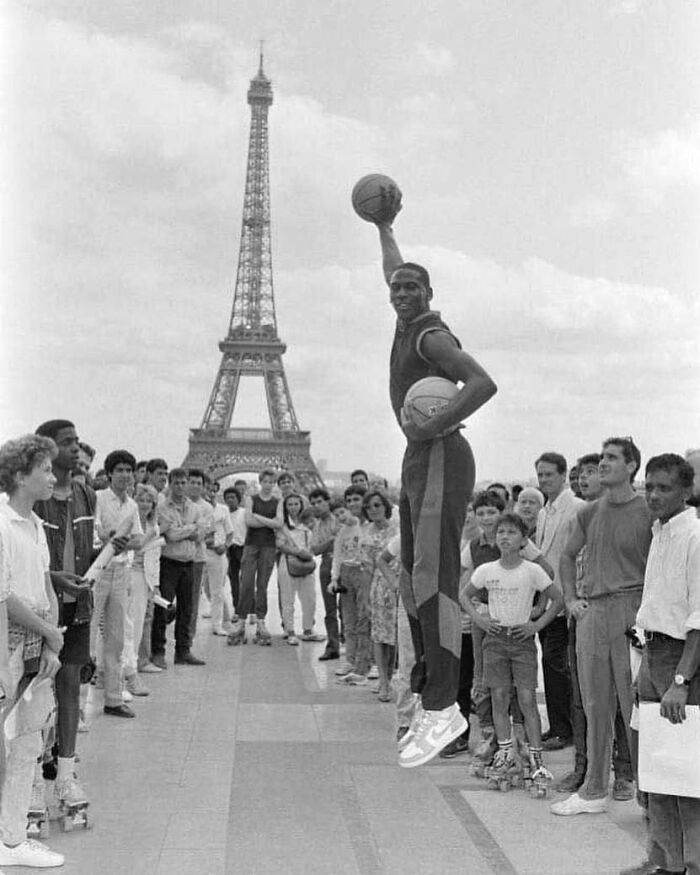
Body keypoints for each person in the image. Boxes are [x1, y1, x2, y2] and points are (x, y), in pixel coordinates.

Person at [375, 205, 497, 768]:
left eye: (411, 287)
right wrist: (384, 229)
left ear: (429, 292)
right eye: (397, 286)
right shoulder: (405, 319)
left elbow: (483, 382)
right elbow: (394, 270)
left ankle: (446, 706)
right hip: (419, 456)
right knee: (410, 575)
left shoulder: (430, 336)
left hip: (441, 451)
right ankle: (431, 688)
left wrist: (434, 423)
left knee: (437, 576)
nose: (401, 291)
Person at [552, 437, 652, 816]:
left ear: (631, 466)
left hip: (633, 612)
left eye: (612, 458)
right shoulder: (590, 512)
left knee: (636, 710)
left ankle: (650, 795)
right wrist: (572, 598)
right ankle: (593, 790)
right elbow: (566, 555)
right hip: (593, 611)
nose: (603, 463)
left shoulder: (647, 510)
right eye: (602, 457)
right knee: (594, 706)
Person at [621, 454, 700, 875]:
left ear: (686, 491)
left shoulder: (695, 536)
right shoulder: (660, 532)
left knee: (686, 772)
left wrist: (682, 680)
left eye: (664, 488)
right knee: (657, 769)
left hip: (682, 660)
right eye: (649, 486)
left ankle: (694, 862)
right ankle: (664, 861)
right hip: (651, 653)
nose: (653, 495)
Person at [0, 434, 65, 868]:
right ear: (21, 476)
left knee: (28, 740)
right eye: (44, 469)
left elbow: (43, 584)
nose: (53, 477)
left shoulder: (36, 525)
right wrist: (48, 631)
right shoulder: (3, 526)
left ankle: (11, 836)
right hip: (9, 641)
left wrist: (50, 637)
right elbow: (5, 597)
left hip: (35, 639)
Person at [463, 512, 564, 790]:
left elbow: (557, 598)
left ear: (523, 540)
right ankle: (505, 753)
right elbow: (464, 595)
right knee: (498, 697)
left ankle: (535, 759)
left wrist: (537, 624)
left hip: (522, 641)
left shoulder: (532, 571)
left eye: (511, 532)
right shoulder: (487, 571)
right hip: (495, 641)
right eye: (501, 533)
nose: (505, 537)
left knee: (527, 698)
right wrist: (480, 619)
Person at [33, 419, 96, 813]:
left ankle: (67, 775)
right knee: (38, 692)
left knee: (70, 688)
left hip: (78, 604)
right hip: (42, 606)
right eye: (67, 442)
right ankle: (38, 775)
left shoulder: (86, 494)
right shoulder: (35, 497)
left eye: (77, 441)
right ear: (49, 451)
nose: (76, 448)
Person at [534, 451, 585, 751]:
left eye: (549, 475)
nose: (544, 480)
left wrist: (572, 594)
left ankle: (564, 729)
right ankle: (558, 726)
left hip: (566, 599)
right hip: (547, 599)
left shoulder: (577, 508)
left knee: (558, 663)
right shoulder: (544, 512)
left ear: (564, 475)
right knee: (551, 663)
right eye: (540, 475)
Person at [92, 450, 144, 717]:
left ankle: (113, 698)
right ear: (109, 473)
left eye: (128, 470)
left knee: (116, 636)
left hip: (121, 570)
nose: (125, 475)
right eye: (120, 470)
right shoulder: (98, 498)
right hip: (99, 569)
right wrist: (113, 538)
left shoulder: (133, 505)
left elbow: (138, 539)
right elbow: (96, 531)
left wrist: (118, 540)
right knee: (89, 635)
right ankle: (80, 703)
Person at [152, 468, 206, 668]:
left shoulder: (196, 508)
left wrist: (183, 530)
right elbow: (170, 536)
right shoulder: (162, 507)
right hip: (169, 563)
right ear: (170, 483)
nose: (181, 486)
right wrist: (191, 528)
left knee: (187, 609)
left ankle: (183, 651)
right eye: (177, 483)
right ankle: (158, 651)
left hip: (188, 563)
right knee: (163, 607)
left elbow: (201, 534)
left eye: (184, 482)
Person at [228, 469, 281, 646]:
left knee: (263, 585)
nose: (269, 485)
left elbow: (279, 524)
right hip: (251, 545)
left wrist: (257, 516)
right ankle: (242, 619)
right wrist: (269, 521)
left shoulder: (277, 501)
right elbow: (248, 522)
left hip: (268, 546)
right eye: (266, 481)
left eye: (272, 482)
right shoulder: (252, 498)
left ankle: (260, 621)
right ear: (260, 482)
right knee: (247, 582)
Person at [360, 491, 400, 701]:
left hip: (397, 584)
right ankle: (383, 680)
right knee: (378, 635)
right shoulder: (365, 533)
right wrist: (365, 597)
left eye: (377, 505)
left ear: (386, 506)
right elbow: (366, 568)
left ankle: (390, 677)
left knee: (393, 636)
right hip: (378, 586)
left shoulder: (398, 529)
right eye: (368, 507)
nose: (373, 509)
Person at [122, 483, 161, 691]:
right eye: (141, 499)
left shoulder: (154, 525)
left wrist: (154, 585)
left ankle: (131, 667)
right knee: (121, 625)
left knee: (135, 626)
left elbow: (155, 559)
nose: (144, 504)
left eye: (149, 501)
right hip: (124, 573)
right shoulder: (130, 521)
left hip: (142, 578)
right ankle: (118, 670)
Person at [330, 486, 368, 684]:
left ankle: (366, 661)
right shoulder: (342, 532)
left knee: (365, 618)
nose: (342, 516)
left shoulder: (367, 526)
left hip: (363, 572)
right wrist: (334, 578)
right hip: (346, 573)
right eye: (349, 501)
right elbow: (336, 556)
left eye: (356, 500)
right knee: (349, 619)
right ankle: (350, 659)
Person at [276, 494, 321, 645]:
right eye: (290, 504)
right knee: (287, 598)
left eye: (296, 504)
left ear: (301, 505)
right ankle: (290, 631)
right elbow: (280, 544)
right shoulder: (281, 524)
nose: (293, 507)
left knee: (310, 598)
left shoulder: (309, 523)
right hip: (288, 562)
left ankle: (308, 629)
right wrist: (298, 552)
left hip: (307, 562)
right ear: (285, 507)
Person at [309, 488, 341, 660]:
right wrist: (332, 540)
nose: (317, 506)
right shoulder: (318, 525)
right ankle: (333, 645)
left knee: (346, 608)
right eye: (313, 503)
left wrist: (327, 544)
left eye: (320, 502)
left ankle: (349, 645)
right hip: (327, 563)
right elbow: (314, 549)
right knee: (330, 609)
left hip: (343, 564)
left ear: (328, 501)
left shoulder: (340, 517)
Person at [203, 478, 234, 636]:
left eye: (214, 490)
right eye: (208, 489)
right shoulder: (197, 507)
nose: (211, 493)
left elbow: (230, 532)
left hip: (218, 553)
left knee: (217, 591)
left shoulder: (223, 509)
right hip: (200, 551)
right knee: (200, 590)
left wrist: (225, 546)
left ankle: (218, 624)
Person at [186, 469, 210, 635]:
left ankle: (188, 636)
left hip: (196, 558)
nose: (195, 486)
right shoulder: (177, 502)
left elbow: (201, 535)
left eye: (198, 483)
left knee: (193, 600)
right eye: (192, 482)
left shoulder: (207, 507)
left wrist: (178, 531)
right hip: (174, 556)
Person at [223, 487, 246, 618]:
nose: (231, 500)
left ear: (238, 499)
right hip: (229, 550)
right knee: (234, 582)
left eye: (233, 497)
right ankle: (237, 609)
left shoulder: (244, 513)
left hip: (243, 548)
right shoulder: (224, 513)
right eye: (228, 498)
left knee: (247, 581)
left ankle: (251, 609)